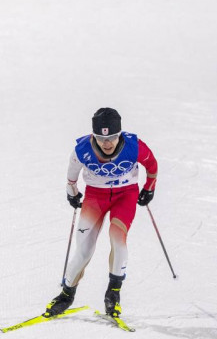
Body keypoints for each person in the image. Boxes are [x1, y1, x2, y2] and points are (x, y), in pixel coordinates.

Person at [44, 108, 158, 318]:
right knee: (84, 249)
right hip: (96, 196)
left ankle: (113, 294)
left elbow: (152, 165)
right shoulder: (82, 149)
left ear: (120, 134)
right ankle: (66, 294)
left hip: (126, 195)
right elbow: (71, 177)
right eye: (101, 137)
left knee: (118, 238)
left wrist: (149, 188)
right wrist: (72, 193)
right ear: (93, 135)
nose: (107, 143)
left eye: (112, 137)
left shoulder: (134, 146)